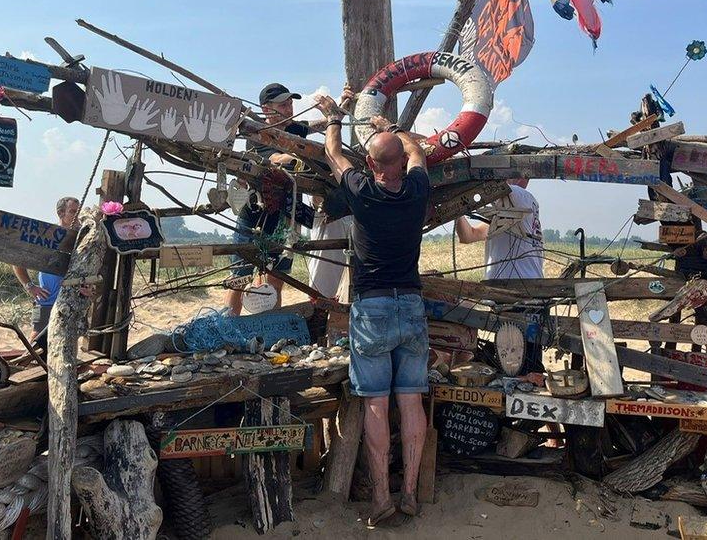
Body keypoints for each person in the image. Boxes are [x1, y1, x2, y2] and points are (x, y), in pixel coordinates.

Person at [316, 93, 430, 527]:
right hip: (411, 305)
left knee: (376, 405)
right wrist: (394, 127)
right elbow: (417, 150)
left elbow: (332, 152)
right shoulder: (417, 190)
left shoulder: (362, 191)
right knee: (412, 401)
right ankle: (411, 493)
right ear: (399, 163)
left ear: (372, 164)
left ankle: (382, 496)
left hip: (372, 306)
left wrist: (334, 117)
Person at [224, 83, 348, 315]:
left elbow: (325, 123)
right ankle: (228, 324)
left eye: (290, 103)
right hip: (256, 214)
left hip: (286, 217)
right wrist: (298, 155)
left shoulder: (296, 129)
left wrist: (341, 104)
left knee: (276, 278)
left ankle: (270, 325)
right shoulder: (258, 133)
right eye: (283, 104)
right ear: (266, 109)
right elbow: (275, 159)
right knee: (239, 275)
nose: (289, 108)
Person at [455, 178, 546, 373]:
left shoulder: (519, 195)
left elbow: (493, 187)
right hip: (510, 295)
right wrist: (457, 213)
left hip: (519, 295)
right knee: (515, 362)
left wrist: (460, 186)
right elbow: (468, 235)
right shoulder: (507, 215)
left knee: (520, 365)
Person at [12, 196, 80, 339]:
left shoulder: (81, 237)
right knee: (38, 337)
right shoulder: (48, 236)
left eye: (78, 211)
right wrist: (29, 286)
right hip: (47, 299)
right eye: (73, 212)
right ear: (61, 213)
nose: (77, 216)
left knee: (67, 339)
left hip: (71, 299)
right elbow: (18, 261)